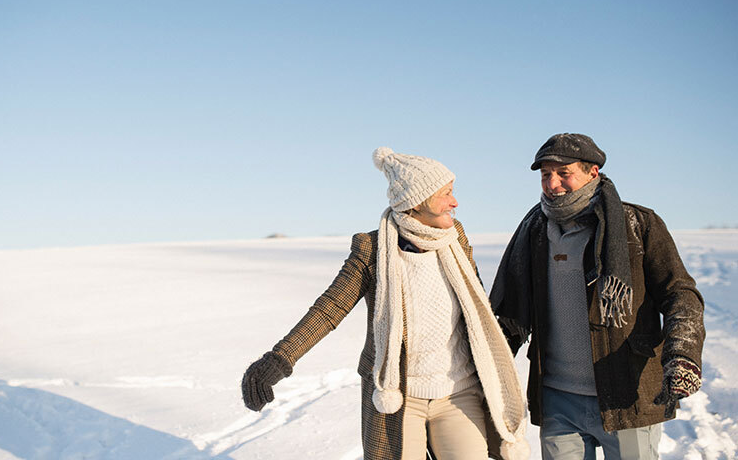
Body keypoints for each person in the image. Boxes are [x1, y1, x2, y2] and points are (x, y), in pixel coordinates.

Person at [241, 147, 529, 460]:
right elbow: (328, 310)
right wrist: (278, 360)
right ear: (416, 201)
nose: (455, 202)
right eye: (446, 194)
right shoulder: (373, 249)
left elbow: (475, 308)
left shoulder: (455, 238)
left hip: (458, 392)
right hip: (397, 397)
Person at [490, 133, 705, 460]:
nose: (553, 183)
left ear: (593, 173)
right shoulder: (534, 230)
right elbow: (509, 312)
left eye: (564, 173)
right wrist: (486, 369)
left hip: (625, 395)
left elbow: (680, 294)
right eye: (546, 174)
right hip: (556, 398)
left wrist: (683, 353)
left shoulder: (638, 224)